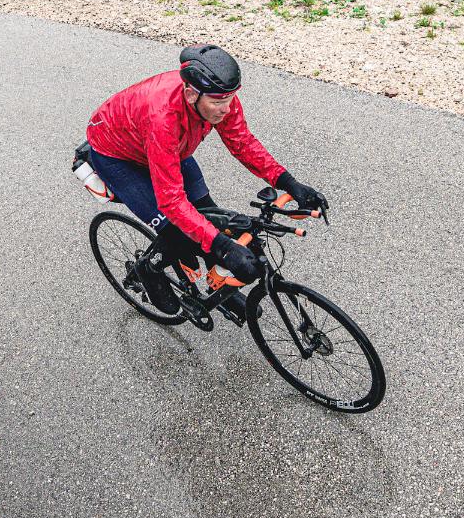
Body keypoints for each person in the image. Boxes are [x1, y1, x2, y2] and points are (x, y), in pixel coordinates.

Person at [83, 44, 325, 316]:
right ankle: (148, 269)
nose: (226, 109)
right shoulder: (163, 117)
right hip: (119, 156)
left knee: (210, 215)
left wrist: (287, 181)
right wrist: (224, 249)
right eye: (218, 103)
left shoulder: (218, 96)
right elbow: (172, 202)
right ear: (190, 94)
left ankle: (217, 289)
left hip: (171, 148)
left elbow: (242, 142)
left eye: (230, 99)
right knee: (177, 231)